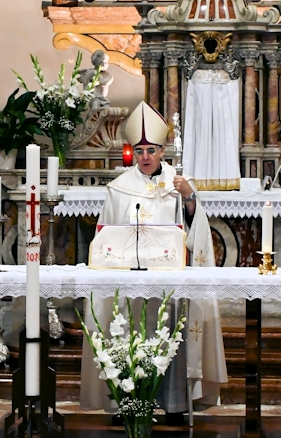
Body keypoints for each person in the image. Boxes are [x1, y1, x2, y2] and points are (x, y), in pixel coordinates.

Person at [81, 102, 227, 415]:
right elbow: (104, 236)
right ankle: (130, 404)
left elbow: (195, 233)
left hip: (168, 289)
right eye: (140, 150)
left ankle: (173, 406)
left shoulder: (178, 186)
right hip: (128, 289)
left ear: (163, 151)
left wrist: (189, 198)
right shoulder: (119, 190)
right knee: (128, 341)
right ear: (132, 152)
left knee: (167, 341)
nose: (145, 157)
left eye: (152, 150)